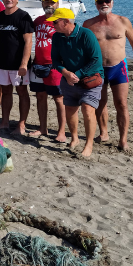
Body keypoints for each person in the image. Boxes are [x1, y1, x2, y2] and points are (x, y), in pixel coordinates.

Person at [82, 0, 133, 152]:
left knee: (121, 103)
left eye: (107, 1)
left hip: (119, 67)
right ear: (96, 5)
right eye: (100, 2)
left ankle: (123, 140)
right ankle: (103, 134)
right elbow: (81, 48)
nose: (104, 4)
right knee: (100, 102)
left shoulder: (123, 21)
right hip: (97, 69)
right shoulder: (88, 24)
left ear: (112, 2)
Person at [49, 8, 104, 158]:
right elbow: (55, 60)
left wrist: (77, 75)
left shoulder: (86, 34)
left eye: (55, 22)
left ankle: (89, 143)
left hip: (90, 79)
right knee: (70, 110)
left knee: (87, 109)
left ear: (66, 22)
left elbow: (96, 60)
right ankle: (74, 138)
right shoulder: (57, 37)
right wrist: (66, 73)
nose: (52, 24)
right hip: (68, 78)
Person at [0, 0, 34, 135]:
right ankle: (5, 122)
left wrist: (24, 63)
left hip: (18, 64)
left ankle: (21, 125)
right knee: (6, 92)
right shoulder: (0, 17)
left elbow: (29, 42)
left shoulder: (24, 16)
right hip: (3, 63)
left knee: (22, 92)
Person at [29, 0, 66, 141]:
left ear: (57, 4)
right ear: (42, 4)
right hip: (38, 63)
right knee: (40, 96)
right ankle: (43, 128)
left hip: (55, 65)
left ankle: (61, 131)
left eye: (52, 2)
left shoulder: (61, 22)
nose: (49, 5)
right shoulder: (38, 21)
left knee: (59, 98)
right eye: (46, 2)